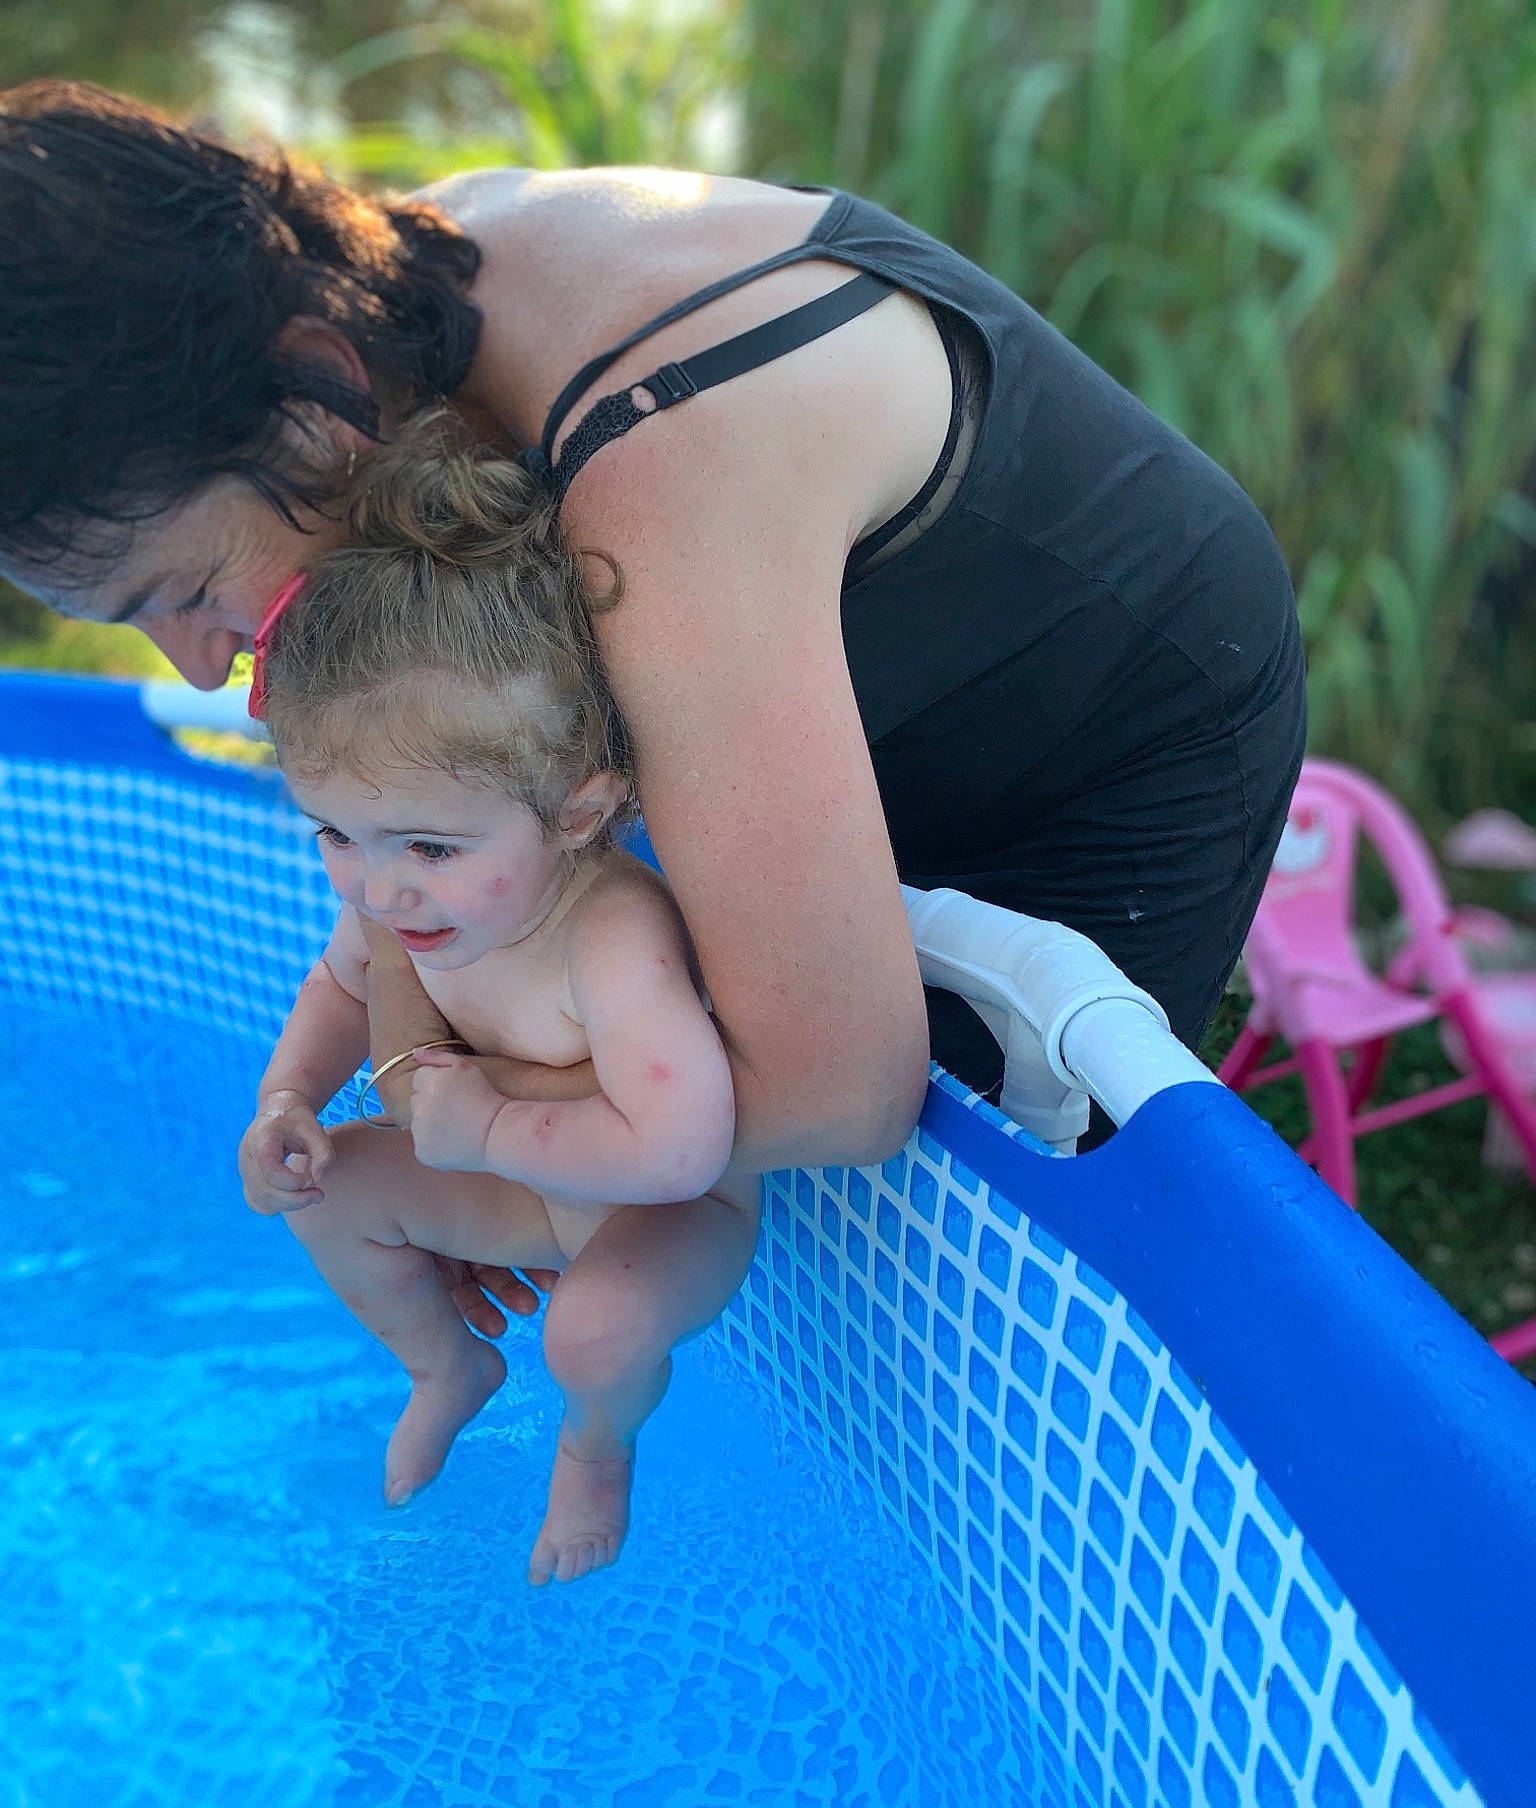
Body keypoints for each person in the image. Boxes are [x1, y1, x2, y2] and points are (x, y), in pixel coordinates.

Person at [0, 83, 1306, 1258]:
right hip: (807, 648)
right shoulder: (360, 296)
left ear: (317, 391)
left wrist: (449, 1123)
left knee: (917, 1230)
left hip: (1110, 719)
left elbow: (837, 1089)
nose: (200, 659)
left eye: (179, 589)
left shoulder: (659, 468)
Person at [237, 416, 760, 1584]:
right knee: (323, 1192)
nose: (380, 884)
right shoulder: (405, 900)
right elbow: (340, 984)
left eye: (426, 841)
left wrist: (488, 1130)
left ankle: (596, 1437)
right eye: (337, 832)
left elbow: (684, 1146)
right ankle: (445, 1364)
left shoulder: (609, 935)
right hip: (520, 1194)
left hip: (661, 1219)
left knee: (594, 1329)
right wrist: (287, 1101)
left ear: (578, 811)